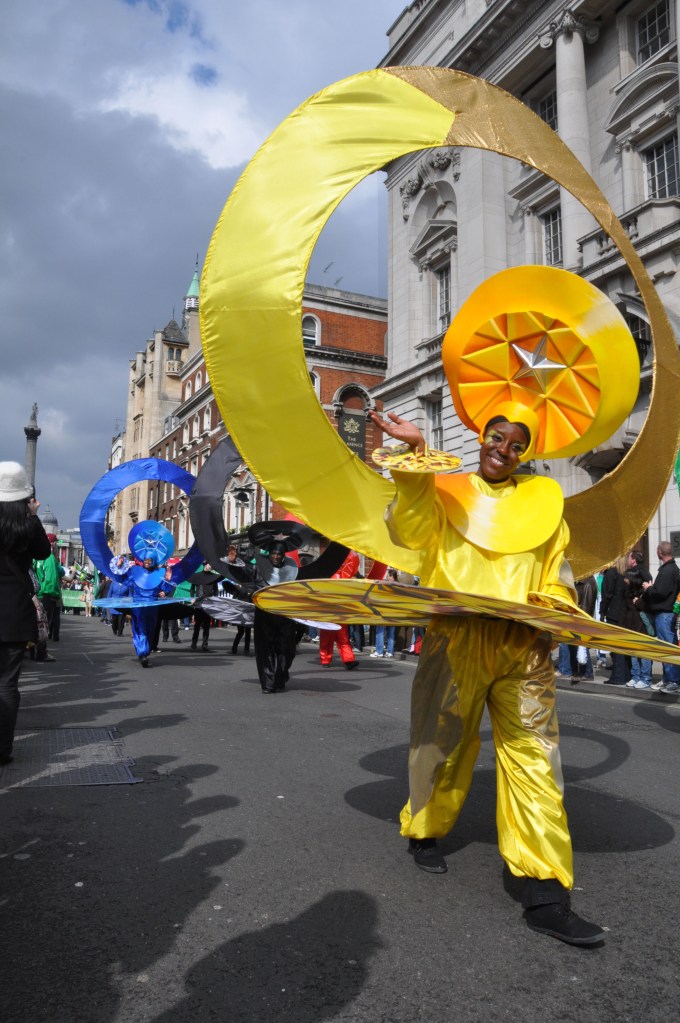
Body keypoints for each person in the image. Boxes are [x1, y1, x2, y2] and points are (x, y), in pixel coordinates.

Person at [368, 405, 604, 946]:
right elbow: (407, 529)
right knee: (441, 744)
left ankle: (546, 891)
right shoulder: (446, 490)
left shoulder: (545, 508)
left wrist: (553, 610)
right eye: (496, 437)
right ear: (481, 437)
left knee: (535, 762)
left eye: (516, 444)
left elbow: (558, 573)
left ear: (526, 453)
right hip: (456, 639)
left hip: (523, 648)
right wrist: (414, 455)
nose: (503, 448)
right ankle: (424, 828)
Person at [0, 462, 52, 764]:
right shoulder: (27, 524)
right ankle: (3, 748)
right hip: (14, 613)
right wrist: (32, 517)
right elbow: (44, 553)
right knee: (6, 683)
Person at [641, 540, 680, 693]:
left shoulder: (667, 571)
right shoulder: (673, 569)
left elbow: (660, 593)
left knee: (667, 649)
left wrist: (648, 588)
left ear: (659, 552)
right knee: (666, 648)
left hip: (664, 615)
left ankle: (674, 682)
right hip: (668, 613)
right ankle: (668, 679)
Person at [33, 532, 64, 661]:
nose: (56, 543)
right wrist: (54, 594)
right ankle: (42, 652)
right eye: (54, 541)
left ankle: (32, 649)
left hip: (35, 593)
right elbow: (51, 579)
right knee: (44, 624)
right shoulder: (49, 557)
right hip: (46, 594)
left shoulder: (35, 557)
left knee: (35, 622)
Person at [599, 555, 629, 686]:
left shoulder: (611, 573)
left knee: (615, 647)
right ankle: (625, 674)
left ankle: (618, 676)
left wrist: (602, 612)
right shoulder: (626, 573)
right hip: (625, 613)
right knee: (623, 646)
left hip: (613, 613)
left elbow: (607, 595)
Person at [622, 569, 653, 690]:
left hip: (642, 627)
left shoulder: (644, 592)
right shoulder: (628, 591)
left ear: (633, 578)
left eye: (627, 578)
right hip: (631, 626)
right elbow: (624, 609)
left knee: (644, 653)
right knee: (633, 653)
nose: (624, 580)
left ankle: (646, 678)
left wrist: (638, 602)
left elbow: (649, 608)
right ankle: (635, 676)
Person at [190, 563, 219, 652]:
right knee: (197, 625)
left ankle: (205, 645)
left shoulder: (213, 577)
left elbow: (216, 590)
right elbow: (192, 588)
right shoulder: (198, 576)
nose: (210, 566)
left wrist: (215, 599)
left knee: (206, 625)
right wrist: (192, 597)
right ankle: (194, 642)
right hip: (199, 603)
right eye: (209, 564)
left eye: (211, 565)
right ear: (205, 565)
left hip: (208, 603)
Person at [372, 569, 399, 658]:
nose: (388, 577)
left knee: (380, 631)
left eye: (390, 576)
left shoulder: (387, 585)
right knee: (391, 633)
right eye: (388, 575)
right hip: (394, 612)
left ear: (393, 577)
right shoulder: (399, 586)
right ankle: (390, 652)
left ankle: (379, 651)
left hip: (384, 611)